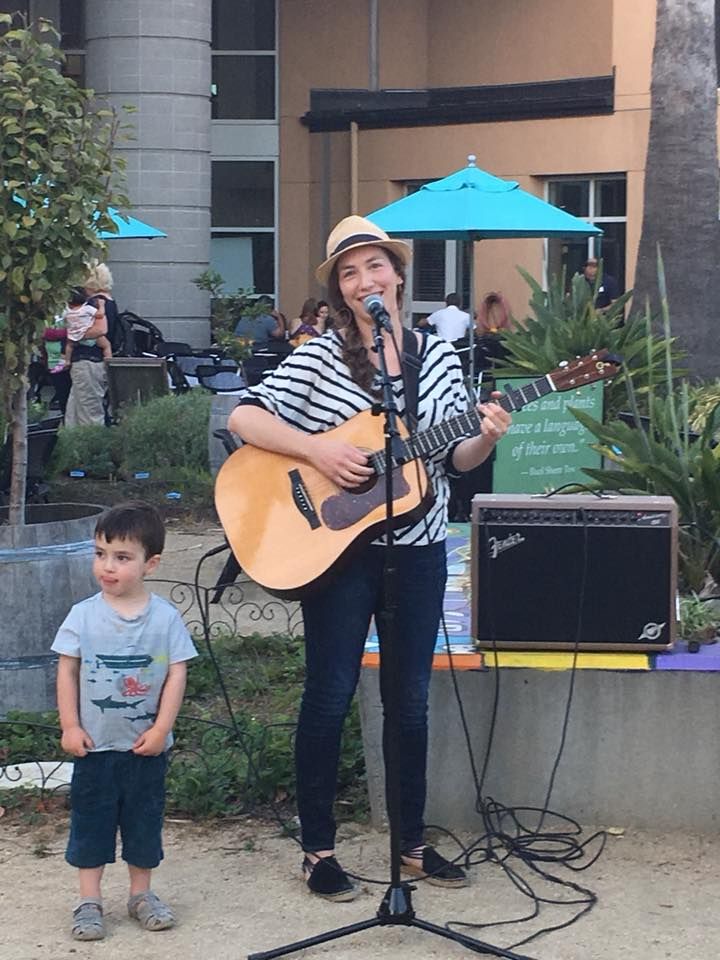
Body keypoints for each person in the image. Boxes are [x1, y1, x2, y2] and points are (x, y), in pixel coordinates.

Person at [227, 214, 511, 901]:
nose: (364, 281)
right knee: (328, 697)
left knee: (410, 703)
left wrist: (487, 435)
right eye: (349, 273)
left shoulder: (437, 357)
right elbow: (244, 416)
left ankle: (409, 845)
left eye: (374, 266)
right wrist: (318, 450)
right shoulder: (321, 356)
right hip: (338, 556)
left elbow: (454, 458)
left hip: (418, 551)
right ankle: (318, 850)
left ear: (397, 275)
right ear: (339, 290)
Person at [51, 501, 198, 941]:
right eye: (100, 554)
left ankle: (140, 895)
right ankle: (89, 901)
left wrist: (161, 729)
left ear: (150, 564)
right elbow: (67, 670)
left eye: (122, 557)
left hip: (144, 750)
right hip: (94, 748)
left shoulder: (165, 618)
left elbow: (177, 672)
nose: (107, 566)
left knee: (143, 823)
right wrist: (70, 726)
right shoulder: (82, 615)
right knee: (91, 824)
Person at [64, 263, 118, 427]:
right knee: (76, 412)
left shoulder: (93, 303)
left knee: (88, 414)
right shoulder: (109, 302)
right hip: (97, 362)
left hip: (87, 362)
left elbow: (99, 330)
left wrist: (73, 335)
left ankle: (91, 443)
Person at [61, 286, 112, 371]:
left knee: (69, 346)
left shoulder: (67, 311)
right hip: (88, 333)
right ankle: (108, 360)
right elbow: (100, 315)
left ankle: (67, 361)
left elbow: (62, 320)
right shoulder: (87, 309)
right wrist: (101, 305)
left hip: (74, 335)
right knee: (106, 345)